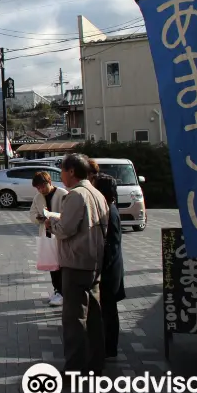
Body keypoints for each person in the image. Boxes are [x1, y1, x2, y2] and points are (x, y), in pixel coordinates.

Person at [45, 154, 108, 374]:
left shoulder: (76, 195)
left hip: (76, 262)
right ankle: (95, 362)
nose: (60, 174)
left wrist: (51, 222)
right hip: (94, 261)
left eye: (62, 170)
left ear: (72, 171)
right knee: (94, 316)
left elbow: (65, 230)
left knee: (74, 319)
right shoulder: (97, 193)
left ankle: (75, 367)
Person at [93, 173, 126, 359]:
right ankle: (108, 346)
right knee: (107, 310)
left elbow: (112, 246)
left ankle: (110, 348)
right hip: (109, 269)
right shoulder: (109, 207)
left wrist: (101, 268)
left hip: (109, 271)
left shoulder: (110, 211)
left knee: (109, 311)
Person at [29, 171, 68, 307]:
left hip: (61, 235)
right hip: (47, 234)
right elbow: (32, 214)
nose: (40, 190)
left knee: (62, 265)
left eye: (42, 186)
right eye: (38, 188)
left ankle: (63, 292)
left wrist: (51, 217)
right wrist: (40, 219)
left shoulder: (62, 194)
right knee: (52, 265)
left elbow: (69, 215)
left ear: (49, 182)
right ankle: (57, 290)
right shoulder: (38, 197)